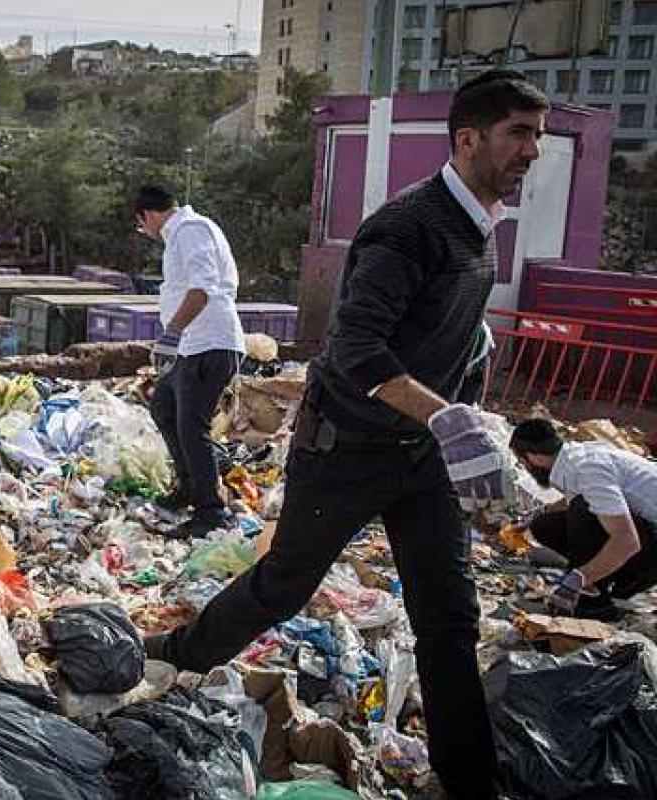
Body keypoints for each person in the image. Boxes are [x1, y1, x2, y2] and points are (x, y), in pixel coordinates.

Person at [147, 70, 550, 799]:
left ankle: (469, 782)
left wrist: (468, 411)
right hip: (347, 450)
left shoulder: (481, 231)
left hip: (419, 457)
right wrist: (446, 416)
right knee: (284, 586)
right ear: (468, 139)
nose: (533, 149)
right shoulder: (408, 227)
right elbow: (356, 347)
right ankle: (171, 655)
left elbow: (448, 334)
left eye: (538, 134)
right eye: (518, 133)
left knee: (450, 617)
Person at [136, 185, 246, 540]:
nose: (147, 234)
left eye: (142, 227)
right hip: (191, 346)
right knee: (164, 408)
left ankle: (210, 510)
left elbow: (202, 289)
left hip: (209, 344)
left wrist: (171, 334)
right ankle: (188, 489)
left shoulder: (189, 230)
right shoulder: (184, 233)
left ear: (147, 215)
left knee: (191, 426)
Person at [509, 418, 657, 620]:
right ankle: (606, 584)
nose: (524, 466)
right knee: (545, 524)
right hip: (647, 537)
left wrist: (578, 579)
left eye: (522, 461)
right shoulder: (577, 457)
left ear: (534, 457)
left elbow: (627, 540)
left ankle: (595, 601)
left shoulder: (588, 469)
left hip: (647, 550)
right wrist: (538, 513)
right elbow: (578, 495)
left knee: (583, 509)